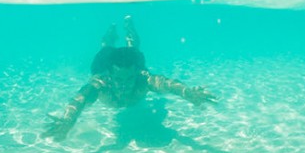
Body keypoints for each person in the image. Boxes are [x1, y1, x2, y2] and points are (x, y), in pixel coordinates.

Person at [44, 15, 216, 140]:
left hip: (131, 65)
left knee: (134, 49)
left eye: (129, 79)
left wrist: (188, 93)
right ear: (109, 76)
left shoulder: (142, 78)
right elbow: (79, 99)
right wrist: (68, 121)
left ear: (136, 74)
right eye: (118, 80)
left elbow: (167, 84)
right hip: (105, 61)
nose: (124, 86)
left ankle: (129, 27)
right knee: (106, 47)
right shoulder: (100, 83)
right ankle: (111, 31)